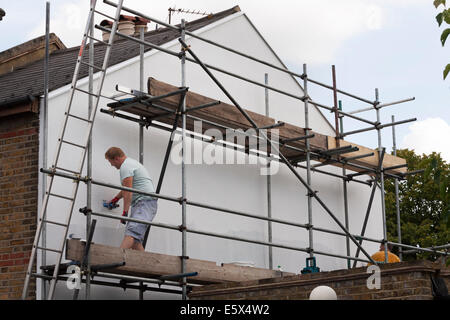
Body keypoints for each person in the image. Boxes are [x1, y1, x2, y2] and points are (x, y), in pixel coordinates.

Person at [105, 147, 157, 251]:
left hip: (144, 202)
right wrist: (115, 199)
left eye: (111, 162)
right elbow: (127, 188)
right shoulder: (130, 164)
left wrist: (125, 213)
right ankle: (146, 264)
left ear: (116, 159)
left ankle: (117, 258)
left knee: (131, 234)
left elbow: (128, 191)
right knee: (135, 240)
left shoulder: (125, 167)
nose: (111, 165)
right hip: (143, 203)